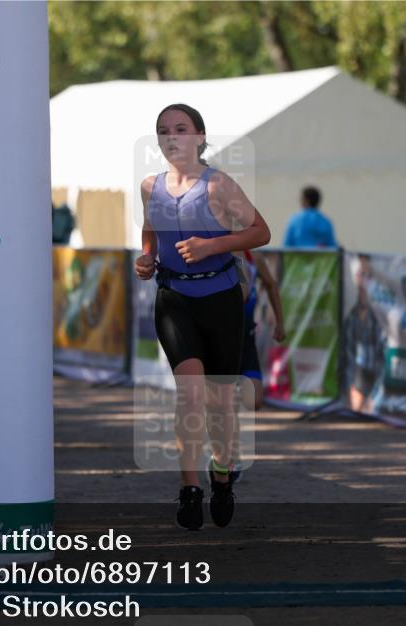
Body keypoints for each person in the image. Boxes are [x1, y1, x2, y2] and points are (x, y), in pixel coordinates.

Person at [134, 103, 271, 530]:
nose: (172, 137)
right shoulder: (149, 186)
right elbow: (150, 229)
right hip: (174, 298)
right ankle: (189, 487)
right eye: (163, 131)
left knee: (219, 402)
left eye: (180, 128)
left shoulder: (218, 186)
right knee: (190, 393)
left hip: (221, 297)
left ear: (199, 136)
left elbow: (260, 232)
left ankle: (222, 473)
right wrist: (146, 258)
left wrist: (212, 245)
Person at [229, 248, 285, 483]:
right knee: (228, 398)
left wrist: (280, 323)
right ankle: (230, 456)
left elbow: (271, 285)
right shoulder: (215, 252)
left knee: (255, 400)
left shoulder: (255, 257)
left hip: (247, 337)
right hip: (223, 337)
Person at [343, 254, 386, 411]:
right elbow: (348, 359)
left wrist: (376, 396)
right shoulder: (351, 318)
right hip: (359, 380)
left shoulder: (380, 316)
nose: (362, 280)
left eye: (366, 274)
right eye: (359, 274)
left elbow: (385, 361)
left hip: (378, 382)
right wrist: (350, 390)